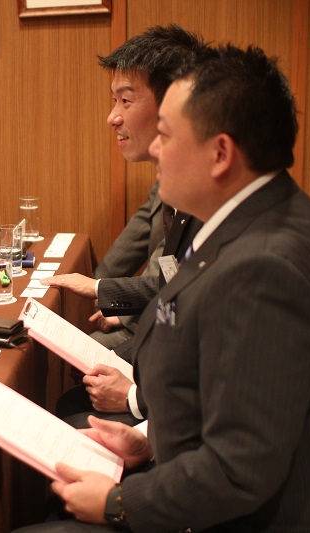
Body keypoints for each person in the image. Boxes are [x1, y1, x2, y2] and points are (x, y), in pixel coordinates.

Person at [18, 44, 310, 532]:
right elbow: (228, 403)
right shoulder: (251, 218)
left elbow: (238, 470)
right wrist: (149, 441)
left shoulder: (265, 267)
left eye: (166, 135)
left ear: (220, 154)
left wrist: (119, 503)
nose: (156, 149)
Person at [45, 26, 204, 426]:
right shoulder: (179, 182)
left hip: (184, 394)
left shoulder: (212, 203)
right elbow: (171, 277)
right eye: (113, 100)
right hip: (171, 358)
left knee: (75, 405)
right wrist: (111, 297)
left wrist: (136, 401)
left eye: (126, 101)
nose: (112, 117)